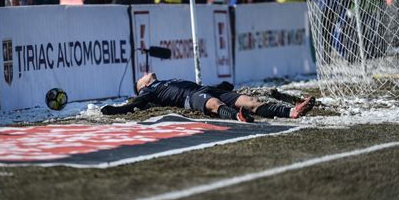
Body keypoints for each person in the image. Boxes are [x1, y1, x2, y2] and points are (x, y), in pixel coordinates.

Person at [101, 73, 316, 122]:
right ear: (143, 85)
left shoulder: (164, 80)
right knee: (214, 105)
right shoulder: (148, 91)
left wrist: (221, 86)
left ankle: (291, 111)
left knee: (250, 101)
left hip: (206, 88)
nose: (146, 72)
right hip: (193, 97)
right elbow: (135, 104)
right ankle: (237, 117)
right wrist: (115, 110)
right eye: (142, 76)